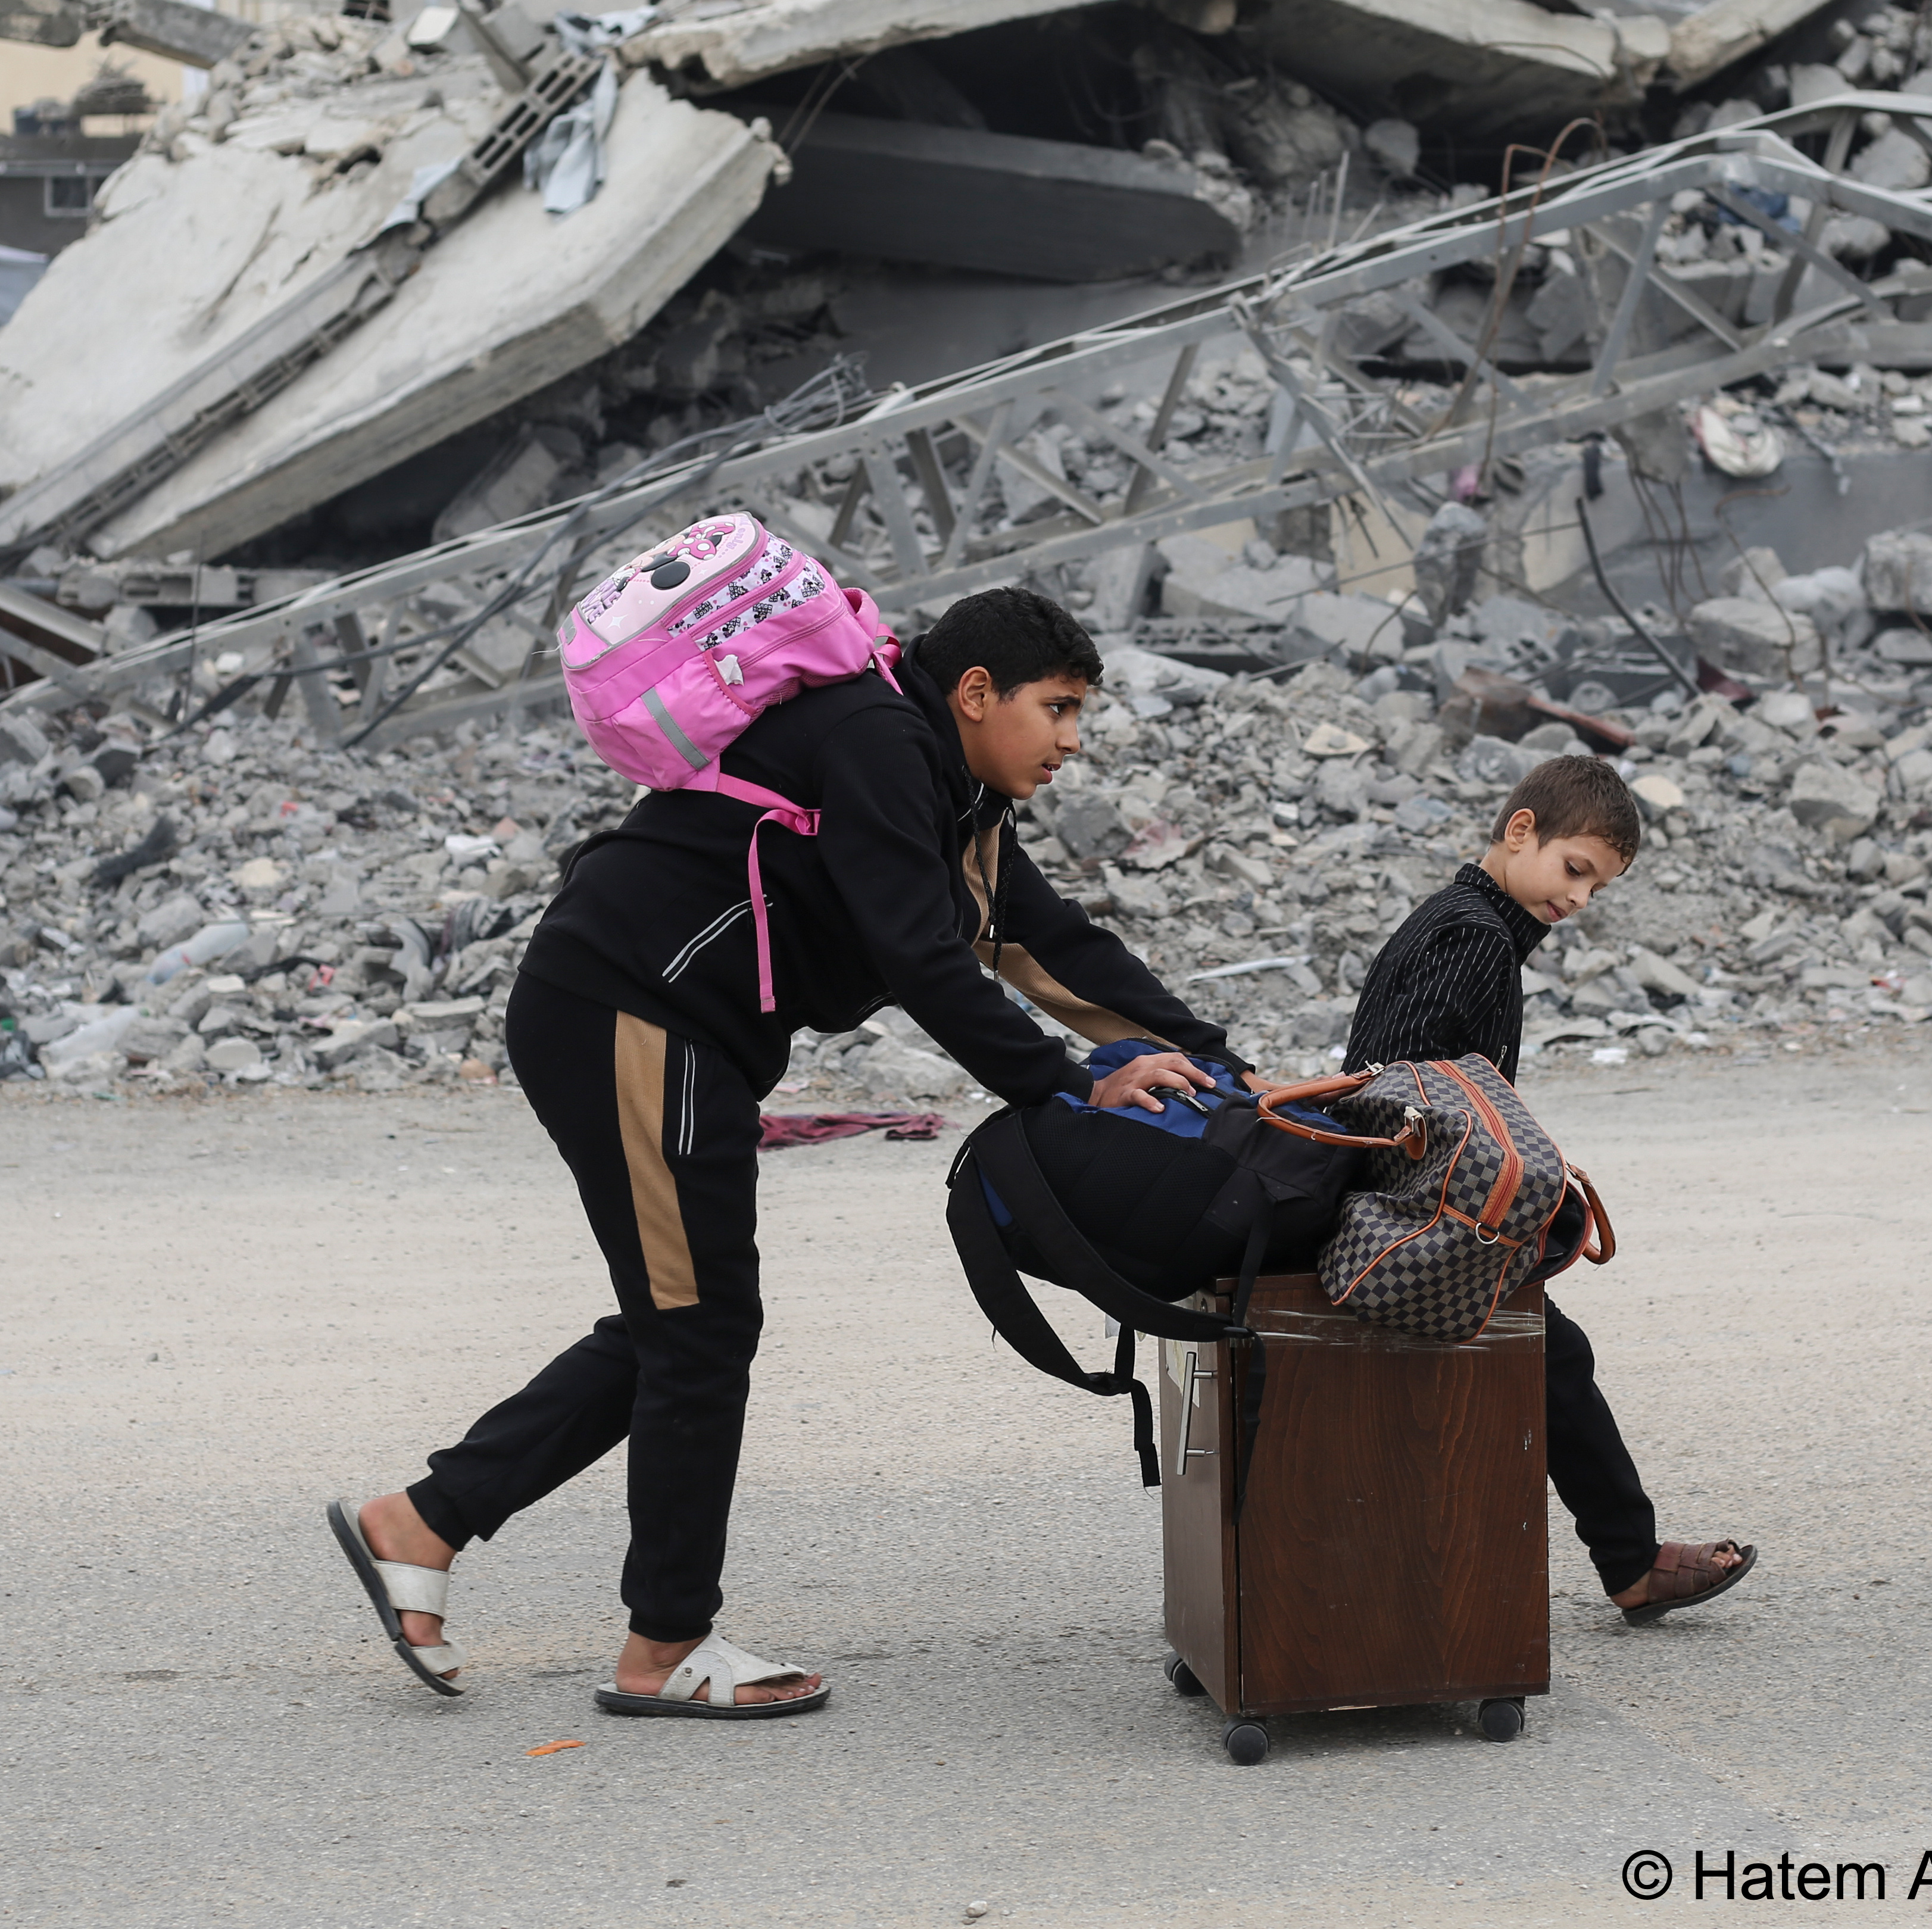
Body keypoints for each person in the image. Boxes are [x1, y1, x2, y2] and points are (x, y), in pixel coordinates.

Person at [330, 585, 1235, 1715]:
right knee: (700, 1327)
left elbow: (1042, 944)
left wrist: (1218, 1063)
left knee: (683, 1321)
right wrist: (1071, 1085)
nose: (1071, 740)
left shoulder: (949, 793)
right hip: (629, 1015)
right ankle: (662, 1650)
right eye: (1056, 708)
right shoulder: (877, 744)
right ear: (974, 693)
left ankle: (422, 1522)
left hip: (667, 1033)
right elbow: (925, 961)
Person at [1342, 752, 1756, 1623]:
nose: (1578, 901)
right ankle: (1629, 1563)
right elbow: (1413, 1091)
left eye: (1597, 889)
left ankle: (1624, 1557)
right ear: (1521, 830)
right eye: (1575, 871)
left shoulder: (1466, 922)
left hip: (1429, 1195)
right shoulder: (1476, 939)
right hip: (1429, 1207)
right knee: (1552, 1356)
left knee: (1554, 1356)